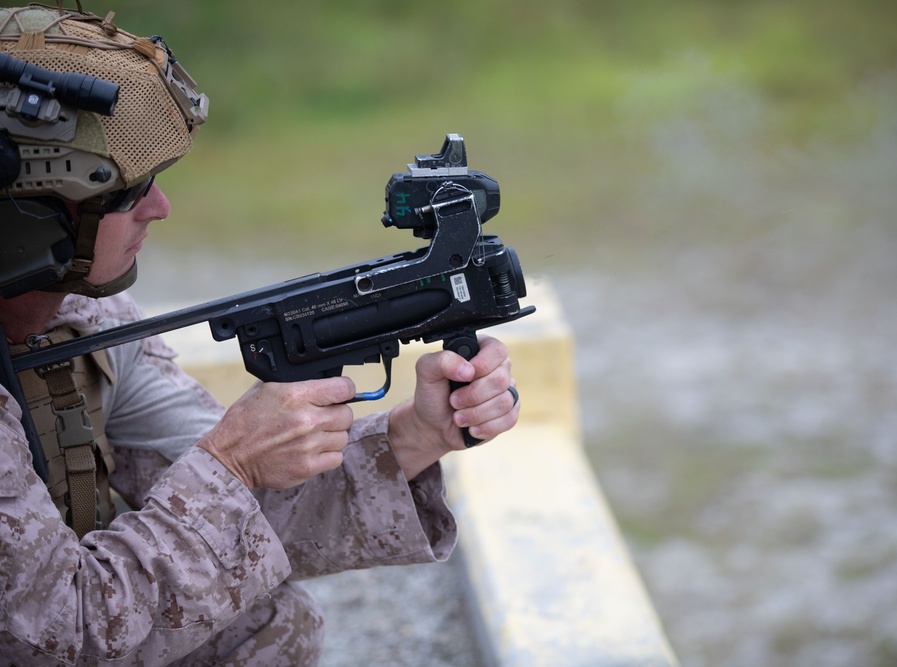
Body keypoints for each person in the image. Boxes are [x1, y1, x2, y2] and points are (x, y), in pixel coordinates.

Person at [0, 5, 520, 665]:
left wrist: (413, 437)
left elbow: (239, 517)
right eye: (128, 194)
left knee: (258, 621)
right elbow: (59, 631)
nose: (161, 208)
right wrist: (232, 461)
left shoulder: (89, 322)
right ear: (29, 218)